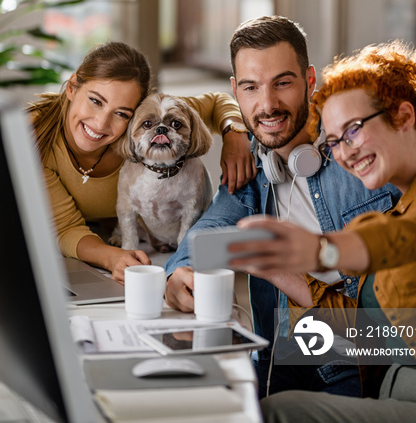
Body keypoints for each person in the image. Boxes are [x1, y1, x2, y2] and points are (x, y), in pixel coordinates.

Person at [165, 17, 408, 398]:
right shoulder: (257, 170)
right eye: (250, 87)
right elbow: (209, 231)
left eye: (283, 83)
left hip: (356, 359)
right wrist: (180, 273)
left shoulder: (362, 148)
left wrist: (281, 270)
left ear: (310, 81)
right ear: (235, 91)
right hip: (282, 355)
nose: (267, 105)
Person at [231, 40, 416, 423]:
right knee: (253, 393)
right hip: (393, 392)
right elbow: (360, 326)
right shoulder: (400, 207)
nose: (344, 153)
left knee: (277, 413)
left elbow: (403, 238)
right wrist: (272, 268)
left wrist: (321, 250)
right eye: (335, 141)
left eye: (353, 131)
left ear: (404, 117)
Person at [28, 41, 255, 284]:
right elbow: (64, 227)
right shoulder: (35, 135)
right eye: (95, 100)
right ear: (72, 87)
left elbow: (217, 102)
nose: (101, 123)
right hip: (82, 251)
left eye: (122, 113)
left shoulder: (149, 118)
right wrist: (111, 257)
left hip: (143, 246)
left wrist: (235, 135)